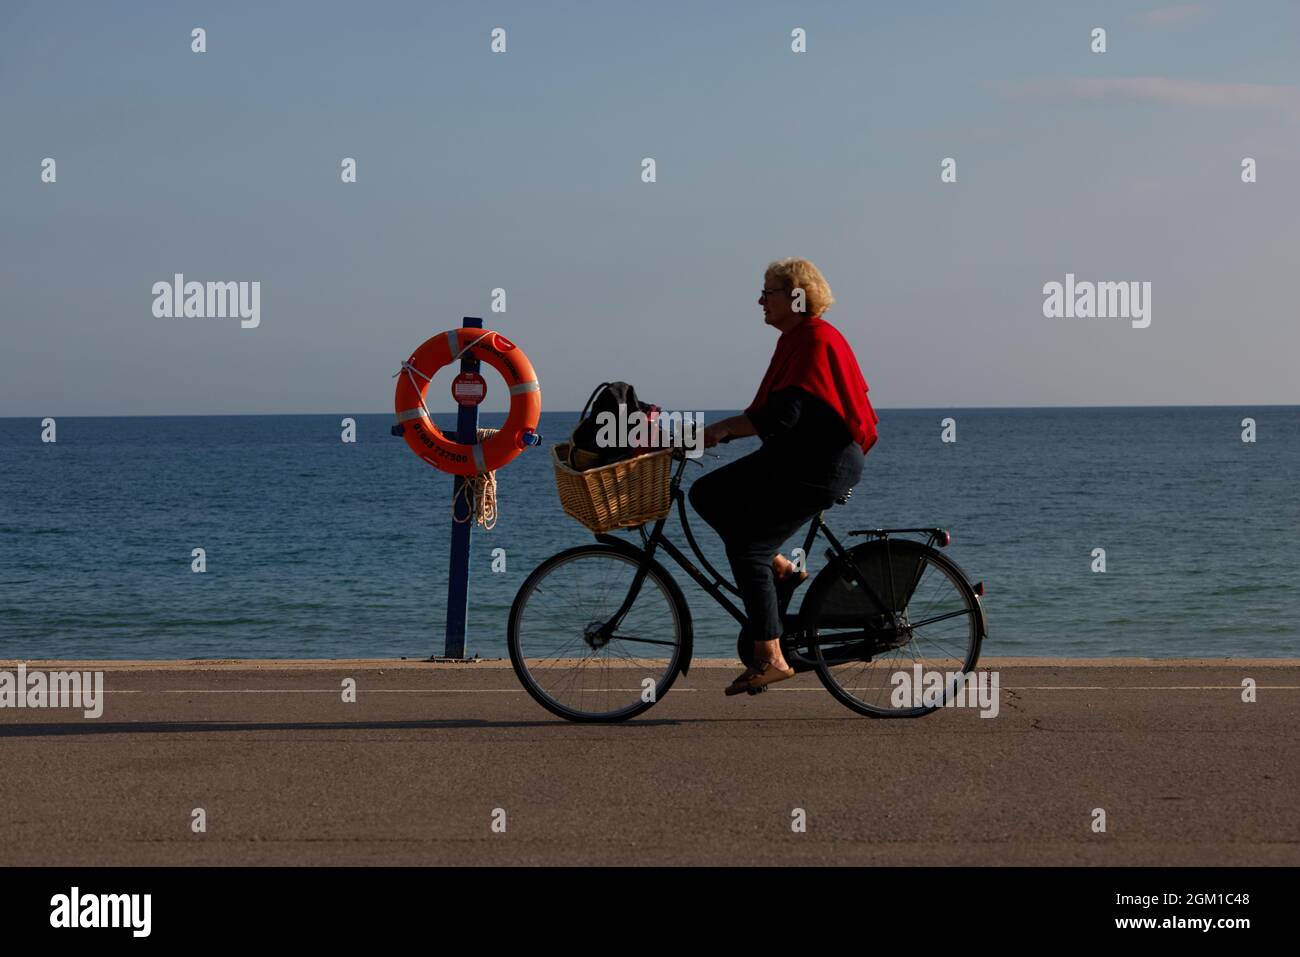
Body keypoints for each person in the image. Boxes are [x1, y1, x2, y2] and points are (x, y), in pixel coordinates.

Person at [691, 258, 879, 695]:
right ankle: (783, 569)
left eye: (768, 292)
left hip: (821, 465)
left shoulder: (815, 340)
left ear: (795, 296)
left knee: (746, 549)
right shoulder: (797, 339)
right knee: (707, 492)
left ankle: (772, 656)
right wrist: (718, 431)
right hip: (798, 457)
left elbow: (781, 415)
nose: (760, 300)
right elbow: (777, 419)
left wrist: (719, 430)